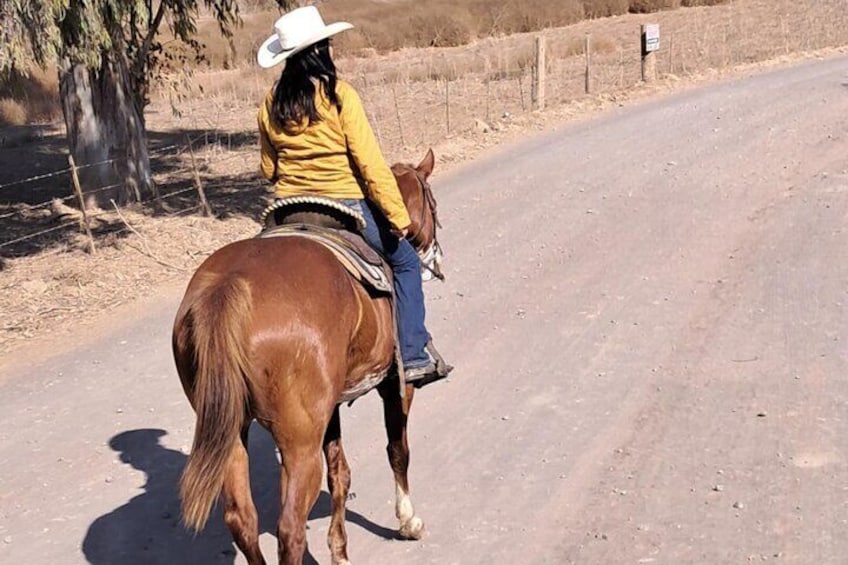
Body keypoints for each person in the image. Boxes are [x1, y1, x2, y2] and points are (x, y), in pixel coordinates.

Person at [256, 6, 449, 384]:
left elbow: (269, 169)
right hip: (341, 205)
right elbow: (372, 167)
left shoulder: (270, 103)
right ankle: (412, 354)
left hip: (285, 211)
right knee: (408, 264)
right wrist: (398, 219)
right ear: (322, 49)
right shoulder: (339, 96)